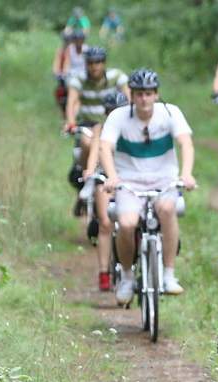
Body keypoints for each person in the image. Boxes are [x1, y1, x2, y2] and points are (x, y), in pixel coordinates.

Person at [100, 68, 197, 303]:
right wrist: (112, 176)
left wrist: (186, 174)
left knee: (166, 209)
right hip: (129, 180)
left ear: (156, 94)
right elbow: (105, 146)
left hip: (164, 178)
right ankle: (126, 277)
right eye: (139, 94)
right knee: (126, 222)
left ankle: (169, 275)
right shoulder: (118, 117)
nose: (144, 99)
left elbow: (185, 143)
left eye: (149, 93)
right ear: (131, 95)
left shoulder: (170, 113)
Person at [84, 90, 129, 291]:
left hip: (129, 179)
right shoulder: (100, 130)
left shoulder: (133, 128)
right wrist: (90, 171)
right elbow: (95, 152)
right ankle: (104, 271)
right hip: (106, 180)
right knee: (105, 223)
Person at [63, 46, 129, 178]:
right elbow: (71, 102)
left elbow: (129, 97)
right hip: (88, 125)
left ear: (104, 63)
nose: (94, 66)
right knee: (87, 143)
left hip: (112, 123)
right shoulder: (79, 79)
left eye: (98, 62)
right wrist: (70, 122)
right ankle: (87, 173)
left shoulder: (116, 76)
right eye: (90, 62)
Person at [52, 31, 72, 114]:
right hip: (62, 76)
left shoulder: (73, 50)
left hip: (72, 75)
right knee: (59, 91)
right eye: (65, 39)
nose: (66, 41)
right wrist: (55, 72)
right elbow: (56, 62)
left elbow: (70, 63)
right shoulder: (61, 50)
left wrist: (67, 71)